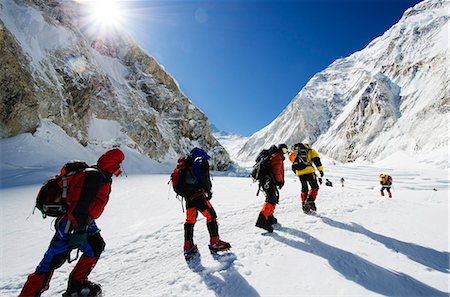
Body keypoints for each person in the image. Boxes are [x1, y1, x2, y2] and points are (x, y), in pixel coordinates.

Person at [19, 148, 125, 297]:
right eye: (118, 163)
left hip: (82, 222)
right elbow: (78, 205)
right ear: (113, 162)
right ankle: (29, 294)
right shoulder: (94, 176)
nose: (119, 167)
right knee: (51, 261)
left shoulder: (100, 174)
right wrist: (80, 230)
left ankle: (77, 284)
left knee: (95, 247)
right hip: (72, 224)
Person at [181, 147, 230, 260]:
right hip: (197, 194)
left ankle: (188, 247)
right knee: (211, 215)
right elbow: (204, 178)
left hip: (188, 197)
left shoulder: (187, 164)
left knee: (190, 220)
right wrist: (208, 190)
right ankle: (215, 242)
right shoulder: (200, 160)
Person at [255, 144, 288, 233]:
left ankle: (269, 217)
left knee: (272, 198)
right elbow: (277, 170)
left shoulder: (276, 155)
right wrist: (279, 181)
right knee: (271, 199)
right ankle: (262, 220)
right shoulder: (277, 155)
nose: (284, 152)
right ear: (280, 149)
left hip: (267, 180)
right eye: (284, 150)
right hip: (269, 180)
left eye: (286, 151)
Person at [288, 143, 324, 214]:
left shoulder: (295, 153)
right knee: (315, 187)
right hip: (309, 171)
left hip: (300, 173)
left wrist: (297, 172)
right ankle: (310, 200)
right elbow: (316, 160)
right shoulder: (310, 151)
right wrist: (320, 170)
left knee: (304, 188)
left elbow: (292, 162)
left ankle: (304, 205)